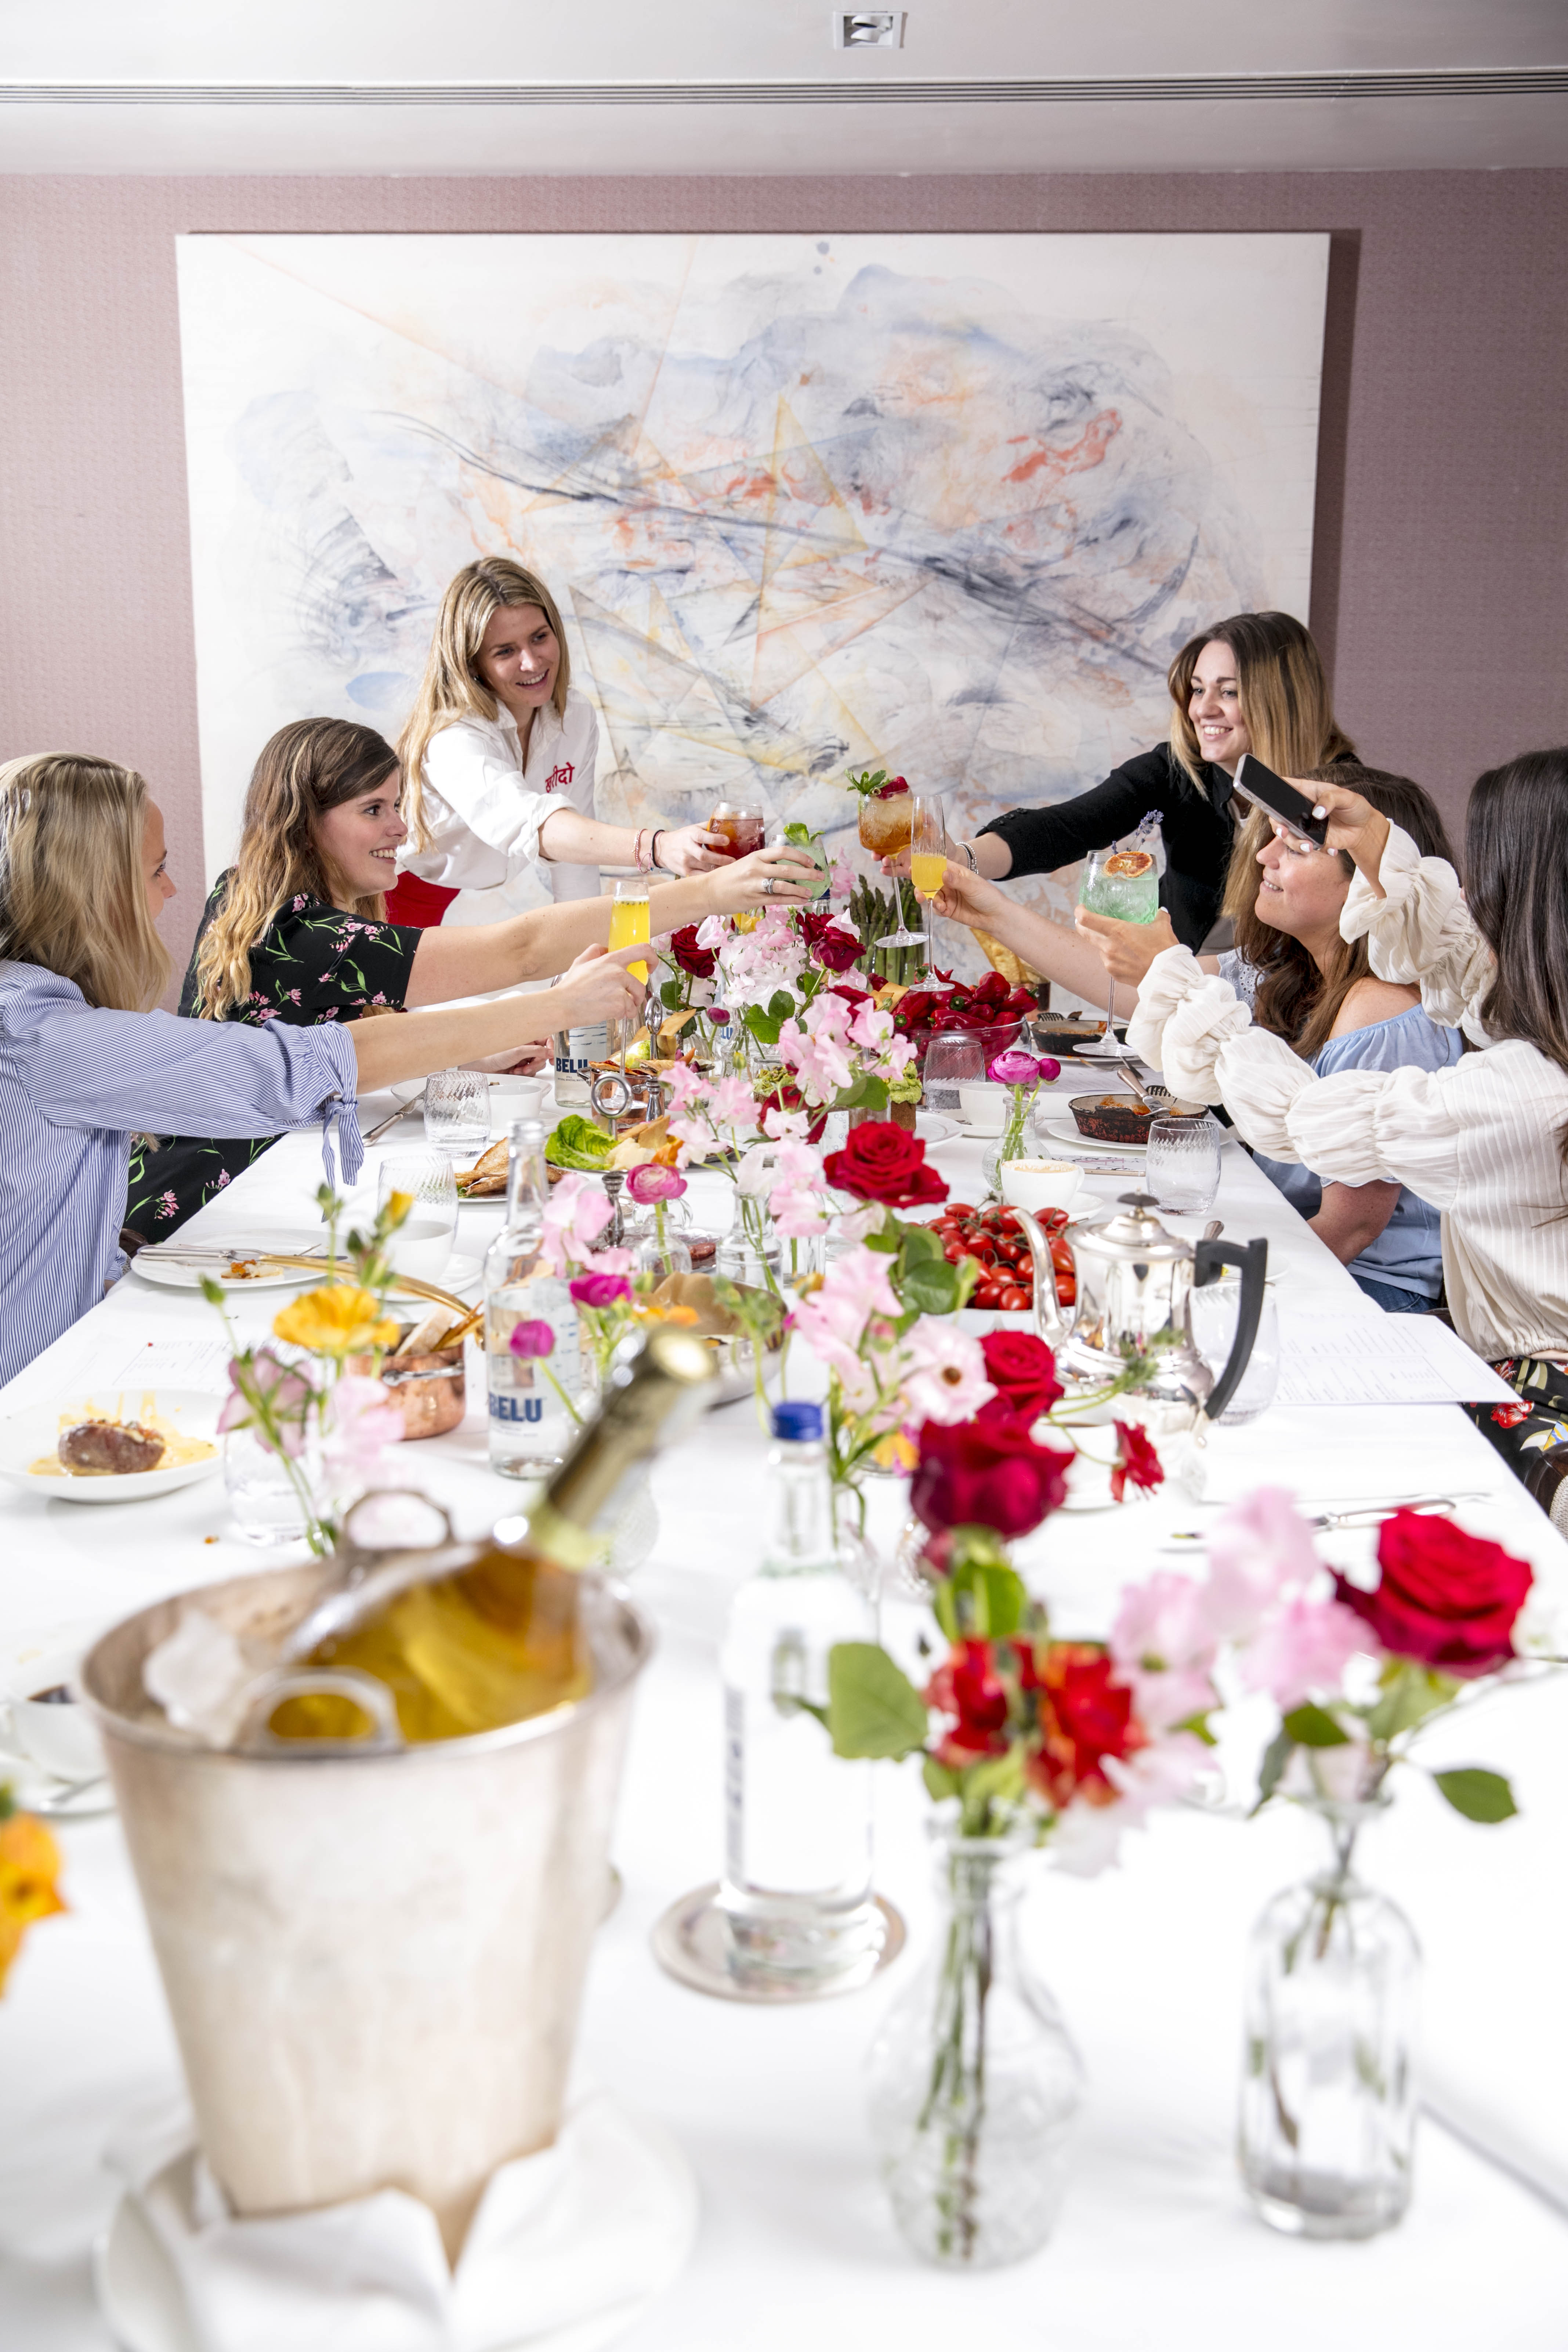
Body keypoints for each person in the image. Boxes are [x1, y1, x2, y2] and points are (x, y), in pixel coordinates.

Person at [0, 753, 646, 1387]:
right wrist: (562, 1003)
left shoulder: (35, 1012)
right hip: (34, 1379)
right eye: (157, 869)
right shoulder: (43, 1036)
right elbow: (304, 1065)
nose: (170, 890)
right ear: (91, 893)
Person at [126, 717, 817, 1240]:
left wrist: (467, 1056)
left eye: (397, 805)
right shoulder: (303, 934)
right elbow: (521, 949)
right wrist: (709, 892)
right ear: (305, 823)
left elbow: (327, 1044)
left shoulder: (247, 896)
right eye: (373, 810)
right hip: (206, 1214)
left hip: (235, 1194)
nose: (400, 828)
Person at [1123, 747, 1568, 1510]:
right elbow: (1457, 959)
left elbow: (1305, 1121)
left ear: (1520, 899)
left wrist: (1180, 988)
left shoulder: (1518, 1091)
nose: (1468, 893)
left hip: (1534, 1396)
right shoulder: (1534, 1037)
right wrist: (1374, 844)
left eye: (1486, 876)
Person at [917, 611, 1356, 1007]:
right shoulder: (1179, 770)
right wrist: (961, 857)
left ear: (1281, 700)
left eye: (1228, 692)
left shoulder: (1343, 802)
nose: (1202, 709)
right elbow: (1069, 826)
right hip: (1174, 1003)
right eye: (1197, 689)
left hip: (1288, 1016)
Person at [390, 556, 726, 926]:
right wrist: (657, 846)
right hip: (394, 897)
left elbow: (574, 860)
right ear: (472, 664)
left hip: (457, 895)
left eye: (539, 638)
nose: (532, 663)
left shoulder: (574, 716)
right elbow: (531, 825)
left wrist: (586, 949)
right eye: (505, 651)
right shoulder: (452, 738)